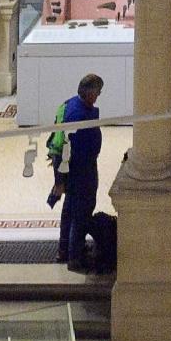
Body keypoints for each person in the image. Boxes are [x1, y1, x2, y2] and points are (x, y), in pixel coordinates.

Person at [46, 73, 103, 272]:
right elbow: (76, 149)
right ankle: (75, 257)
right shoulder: (80, 115)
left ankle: (64, 249)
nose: (98, 97)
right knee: (81, 211)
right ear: (90, 93)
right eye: (98, 92)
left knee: (69, 210)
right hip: (81, 170)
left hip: (69, 169)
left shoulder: (69, 104)